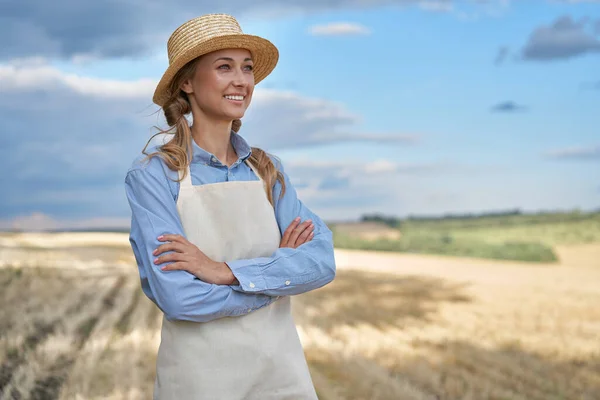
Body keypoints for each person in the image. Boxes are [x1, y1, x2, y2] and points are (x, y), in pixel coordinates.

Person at [123, 13, 336, 399]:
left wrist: (223, 272)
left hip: (281, 377)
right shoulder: (154, 177)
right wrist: (276, 279)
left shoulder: (268, 171)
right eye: (224, 67)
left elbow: (320, 262)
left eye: (247, 68)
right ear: (186, 82)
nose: (242, 81)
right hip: (199, 382)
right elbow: (178, 297)